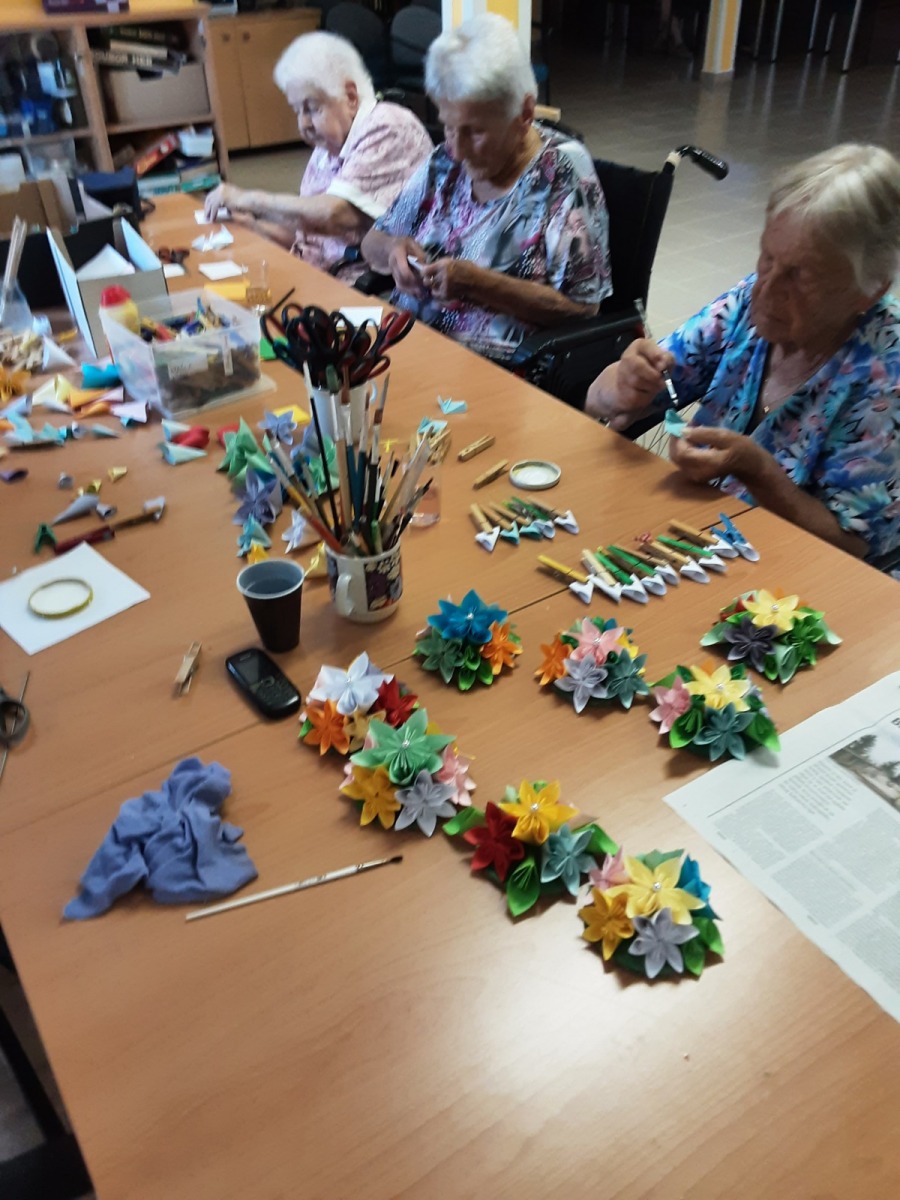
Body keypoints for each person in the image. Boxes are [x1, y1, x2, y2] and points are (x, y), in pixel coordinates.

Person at [585, 143, 900, 569]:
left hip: (804, 579)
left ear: (870, 290)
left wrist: (757, 472)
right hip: (704, 539)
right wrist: (622, 384)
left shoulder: (885, 372)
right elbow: (605, 397)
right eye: (767, 257)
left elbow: (851, 547)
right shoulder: (745, 302)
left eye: (800, 276)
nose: (765, 290)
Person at [360, 14, 610, 364]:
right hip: (406, 347)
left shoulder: (562, 175)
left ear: (524, 114)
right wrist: (392, 249)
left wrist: (478, 284)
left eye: (475, 132)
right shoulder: (443, 161)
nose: (457, 151)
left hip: (493, 371)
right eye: (449, 127)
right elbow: (372, 241)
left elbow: (583, 309)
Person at [203, 32, 432, 275]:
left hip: (351, 283)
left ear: (351, 97)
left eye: (311, 108)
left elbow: (333, 216)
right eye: (297, 111)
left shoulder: (387, 127)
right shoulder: (329, 145)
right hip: (314, 272)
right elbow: (307, 233)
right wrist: (253, 225)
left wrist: (251, 200)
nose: (303, 124)